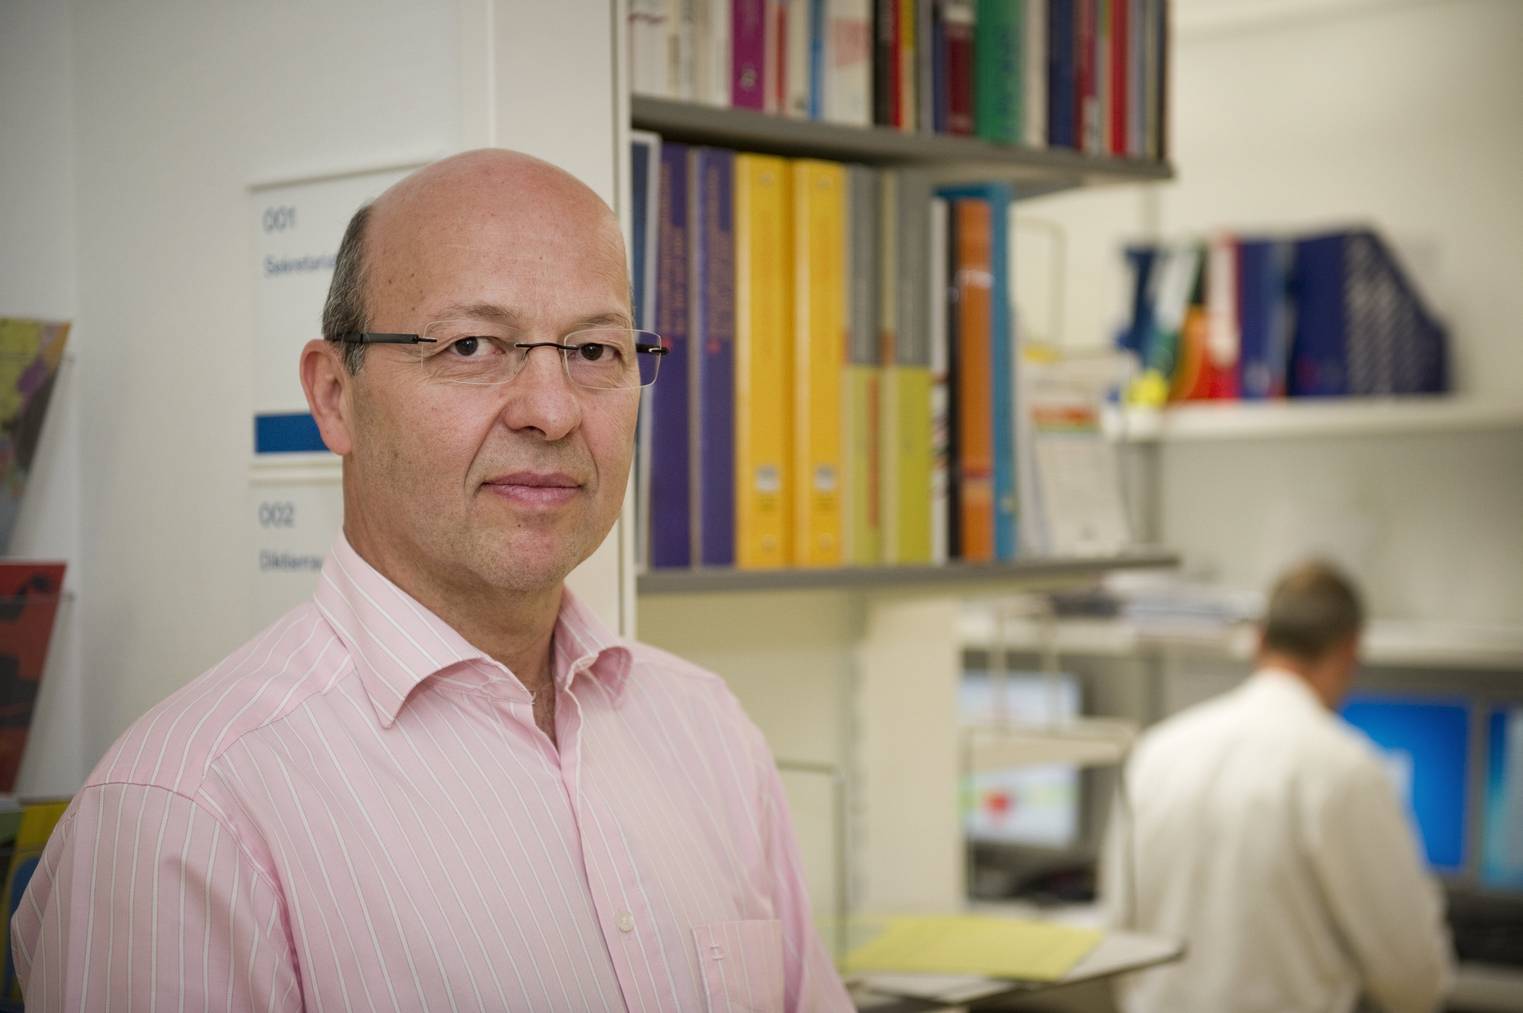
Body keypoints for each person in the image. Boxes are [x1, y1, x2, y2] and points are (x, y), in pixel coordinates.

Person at [12, 150, 853, 1012]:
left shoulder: (707, 732)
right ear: (335, 394)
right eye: (472, 345)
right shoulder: (186, 813)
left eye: (595, 349)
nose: (552, 410)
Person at [1100, 559, 1452, 1013]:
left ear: (1259, 641)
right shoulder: (1344, 769)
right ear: (1349, 650)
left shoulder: (1156, 751)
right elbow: (1412, 978)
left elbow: (1117, 930)